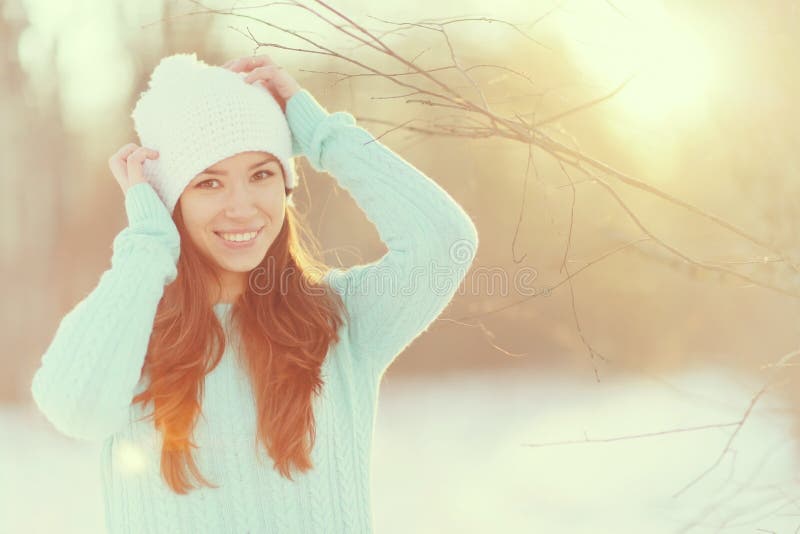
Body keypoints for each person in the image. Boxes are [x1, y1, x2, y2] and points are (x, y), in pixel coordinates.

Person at [30, 51, 478, 533]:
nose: (241, 208)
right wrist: (146, 243)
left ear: (286, 183)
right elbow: (74, 407)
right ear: (171, 204)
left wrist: (322, 135)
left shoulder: (340, 322)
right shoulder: (132, 333)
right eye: (209, 182)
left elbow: (444, 243)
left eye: (262, 174)